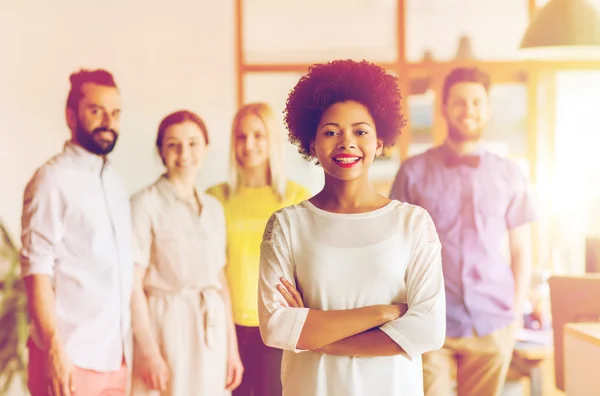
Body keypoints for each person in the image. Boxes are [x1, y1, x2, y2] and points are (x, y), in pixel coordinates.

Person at [257, 59, 446, 396]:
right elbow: (276, 327)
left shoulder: (413, 224)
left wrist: (316, 336)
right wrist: (385, 312)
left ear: (380, 142)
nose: (346, 142)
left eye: (360, 131)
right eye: (331, 132)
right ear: (312, 144)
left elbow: (428, 331)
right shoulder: (287, 225)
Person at [389, 67, 538, 396]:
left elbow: (521, 250)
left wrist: (514, 314)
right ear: (443, 107)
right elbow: (395, 249)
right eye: (459, 102)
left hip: (492, 319)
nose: (468, 110)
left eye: (476, 102)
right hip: (430, 317)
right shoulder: (412, 172)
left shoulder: (510, 174)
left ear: (487, 109)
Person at [20, 69, 132, 396]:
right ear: (71, 116)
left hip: (115, 358)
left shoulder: (115, 182)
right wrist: (55, 351)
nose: (107, 121)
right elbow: (35, 270)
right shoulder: (51, 180)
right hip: (69, 360)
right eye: (96, 111)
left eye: (114, 113)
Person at [130, 110, 243, 395]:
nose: (184, 153)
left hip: (211, 330)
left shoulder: (213, 208)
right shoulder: (145, 204)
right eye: (173, 145)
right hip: (167, 328)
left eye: (193, 143)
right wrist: (149, 353)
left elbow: (220, 282)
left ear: (206, 147)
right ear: (160, 151)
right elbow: (132, 286)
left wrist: (232, 349)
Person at [206, 102, 310, 396]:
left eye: (258, 135)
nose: (248, 144)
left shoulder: (296, 197)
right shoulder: (215, 199)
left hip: (277, 325)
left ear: (271, 141)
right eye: (241, 136)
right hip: (227, 326)